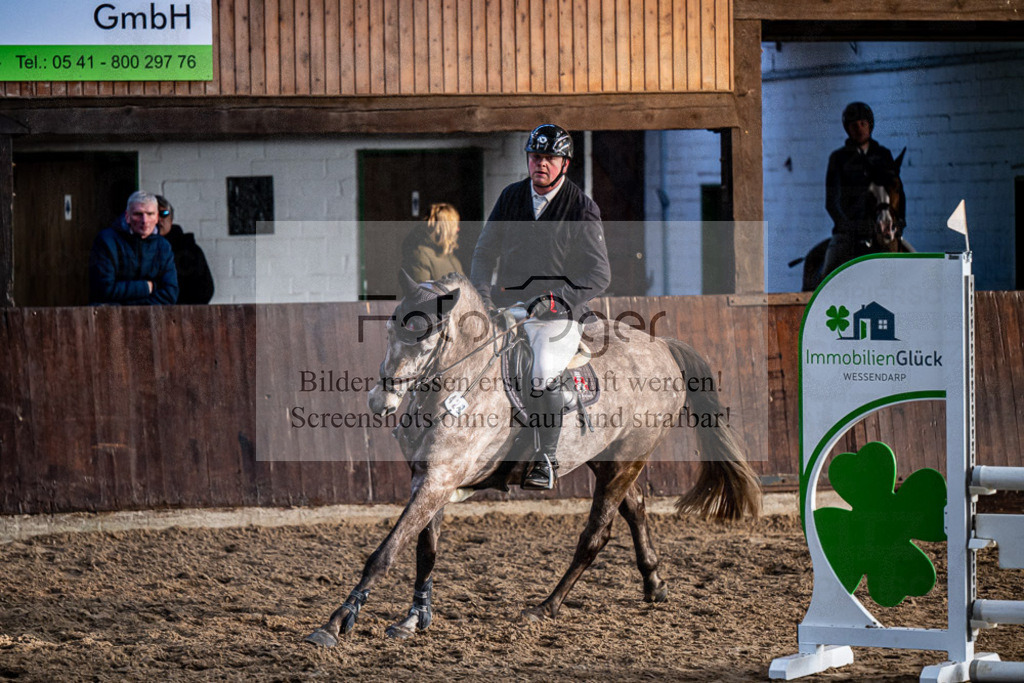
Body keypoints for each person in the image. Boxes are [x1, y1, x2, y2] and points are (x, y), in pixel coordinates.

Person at [470, 123, 611, 490]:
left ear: (564, 163)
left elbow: (599, 273)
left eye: (549, 158)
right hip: (509, 304)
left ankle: (545, 459)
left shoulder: (581, 207)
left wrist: (558, 299)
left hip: (557, 313)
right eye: (535, 157)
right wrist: (482, 295)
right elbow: (485, 251)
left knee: (543, 371)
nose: (541, 164)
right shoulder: (511, 196)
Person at [822, 101, 902, 277]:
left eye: (863, 124)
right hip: (848, 233)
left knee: (913, 260)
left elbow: (896, 191)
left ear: (870, 126)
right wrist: (849, 226)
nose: (859, 129)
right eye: (854, 125)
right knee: (826, 273)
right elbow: (831, 202)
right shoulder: (838, 158)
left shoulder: (883, 155)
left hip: (881, 229)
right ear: (848, 129)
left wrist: (899, 221)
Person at [89, 190, 178, 305]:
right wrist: (146, 287)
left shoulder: (163, 246)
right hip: (111, 318)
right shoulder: (106, 241)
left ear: (156, 217)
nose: (144, 220)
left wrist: (129, 305)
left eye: (150, 214)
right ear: (127, 216)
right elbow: (104, 290)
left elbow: (170, 295)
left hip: (150, 319)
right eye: (138, 214)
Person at [156, 195, 215, 304]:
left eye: (163, 214)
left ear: (171, 219)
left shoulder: (190, 250)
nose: (158, 219)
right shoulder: (134, 249)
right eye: (152, 214)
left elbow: (205, 290)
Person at [400, 203, 464, 282]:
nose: (458, 229)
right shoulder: (419, 256)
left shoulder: (451, 258)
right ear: (444, 229)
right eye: (455, 225)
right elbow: (421, 293)